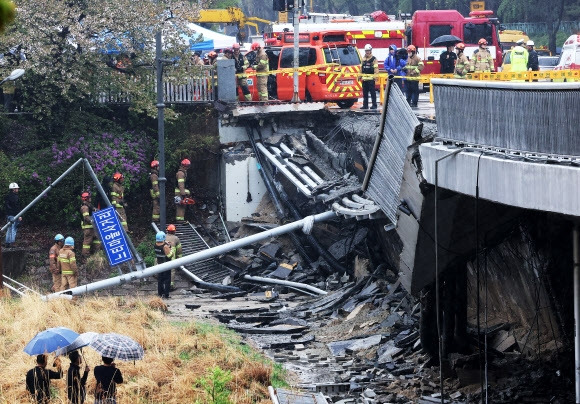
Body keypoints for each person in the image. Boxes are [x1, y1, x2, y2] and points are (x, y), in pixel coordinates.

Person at [154, 231, 175, 299]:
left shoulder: (155, 244)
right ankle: (166, 295)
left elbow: (161, 245)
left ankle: (160, 294)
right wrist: (171, 249)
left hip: (160, 264)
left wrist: (166, 243)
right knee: (167, 280)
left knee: (160, 280)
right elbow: (169, 256)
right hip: (166, 265)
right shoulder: (165, 246)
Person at [80, 192, 100, 257]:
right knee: (87, 242)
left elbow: (94, 210)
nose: (90, 198)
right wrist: (93, 221)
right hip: (88, 228)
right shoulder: (85, 207)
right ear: (86, 199)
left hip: (92, 227)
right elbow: (86, 217)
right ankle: (85, 255)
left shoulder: (89, 206)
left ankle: (97, 253)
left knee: (96, 239)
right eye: (89, 197)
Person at [360, 44, 378, 110]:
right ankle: (365, 105)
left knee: (373, 93)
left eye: (368, 51)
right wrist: (360, 76)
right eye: (366, 51)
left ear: (371, 51)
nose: (367, 52)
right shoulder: (363, 59)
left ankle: (374, 105)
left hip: (371, 79)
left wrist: (375, 77)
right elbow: (361, 69)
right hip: (364, 80)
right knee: (365, 93)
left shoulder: (374, 59)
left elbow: (376, 69)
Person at [165, 224, 183, 290]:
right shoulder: (176, 239)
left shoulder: (163, 237)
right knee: (172, 271)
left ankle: (163, 285)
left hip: (162, 258)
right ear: (174, 231)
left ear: (167, 231)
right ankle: (171, 286)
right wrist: (179, 258)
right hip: (171, 258)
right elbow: (179, 250)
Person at [4, 182, 21, 248]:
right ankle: (12, 243)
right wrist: (19, 215)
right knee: (14, 229)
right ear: (13, 189)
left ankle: (7, 243)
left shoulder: (7, 196)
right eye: (16, 188)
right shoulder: (15, 197)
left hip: (8, 215)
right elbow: (16, 207)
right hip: (14, 215)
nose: (17, 189)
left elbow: (7, 206)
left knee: (9, 229)